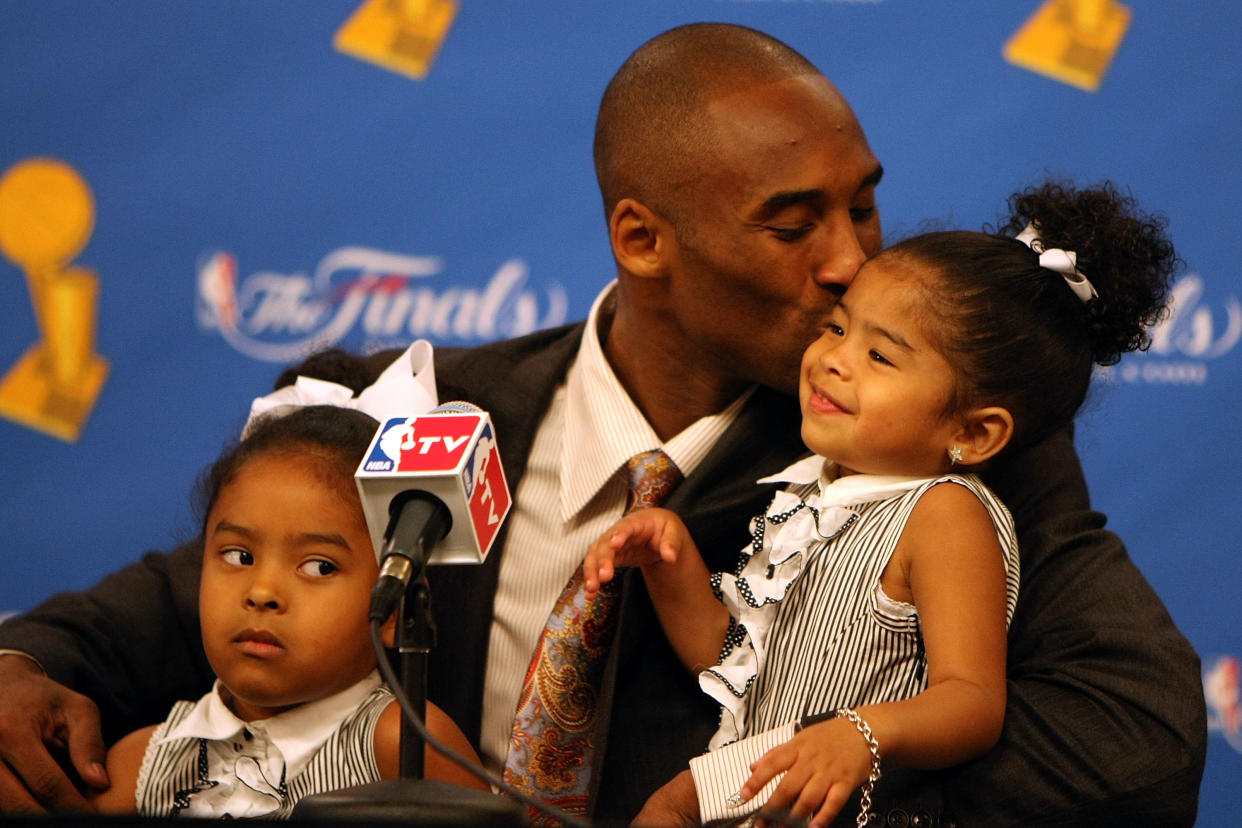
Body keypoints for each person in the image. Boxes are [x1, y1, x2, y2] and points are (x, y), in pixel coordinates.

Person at [0, 22, 1205, 827]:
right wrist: (28, 666)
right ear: (644, 240)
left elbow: (1138, 741)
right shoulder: (413, 408)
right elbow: (180, 602)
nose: (851, 266)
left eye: (866, 205)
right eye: (796, 223)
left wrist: (797, 779)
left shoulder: (921, 452)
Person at [585, 181, 1174, 827]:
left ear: (974, 433)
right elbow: (727, 660)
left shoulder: (945, 514)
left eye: (879, 355)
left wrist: (862, 735)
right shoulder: (811, 492)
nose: (833, 359)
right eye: (836, 327)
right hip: (764, 788)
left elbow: (973, 702)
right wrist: (671, 562)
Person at [87, 398, 486, 817]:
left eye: (318, 566)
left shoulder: (403, 746)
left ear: (395, 606)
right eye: (239, 556)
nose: (262, 592)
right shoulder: (141, 764)